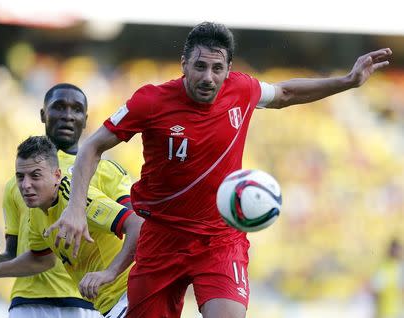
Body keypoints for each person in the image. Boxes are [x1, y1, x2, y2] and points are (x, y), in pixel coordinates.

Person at [44, 22, 393, 318]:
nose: (208, 77)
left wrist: (347, 81)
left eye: (217, 68)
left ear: (228, 69)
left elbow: (285, 92)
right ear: (183, 65)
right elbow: (91, 146)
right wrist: (75, 209)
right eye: (199, 67)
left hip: (219, 239)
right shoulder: (150, 101)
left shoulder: (241, 89)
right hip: (160, 237)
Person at [0, 83, 133, 318]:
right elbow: (30, 254)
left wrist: (111, 273)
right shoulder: (18, 184)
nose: (68, 116)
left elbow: (137, 224)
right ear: (43, 114)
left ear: (85, 119)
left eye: (76, 110)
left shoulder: (103, 169)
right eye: (59, 107)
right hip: (28, 301)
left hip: (88, 300)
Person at [371, 238, 404, 318]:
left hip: (398, 311)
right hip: (386, 312)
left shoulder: (400, 267)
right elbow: (375, 290)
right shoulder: (384, 268)